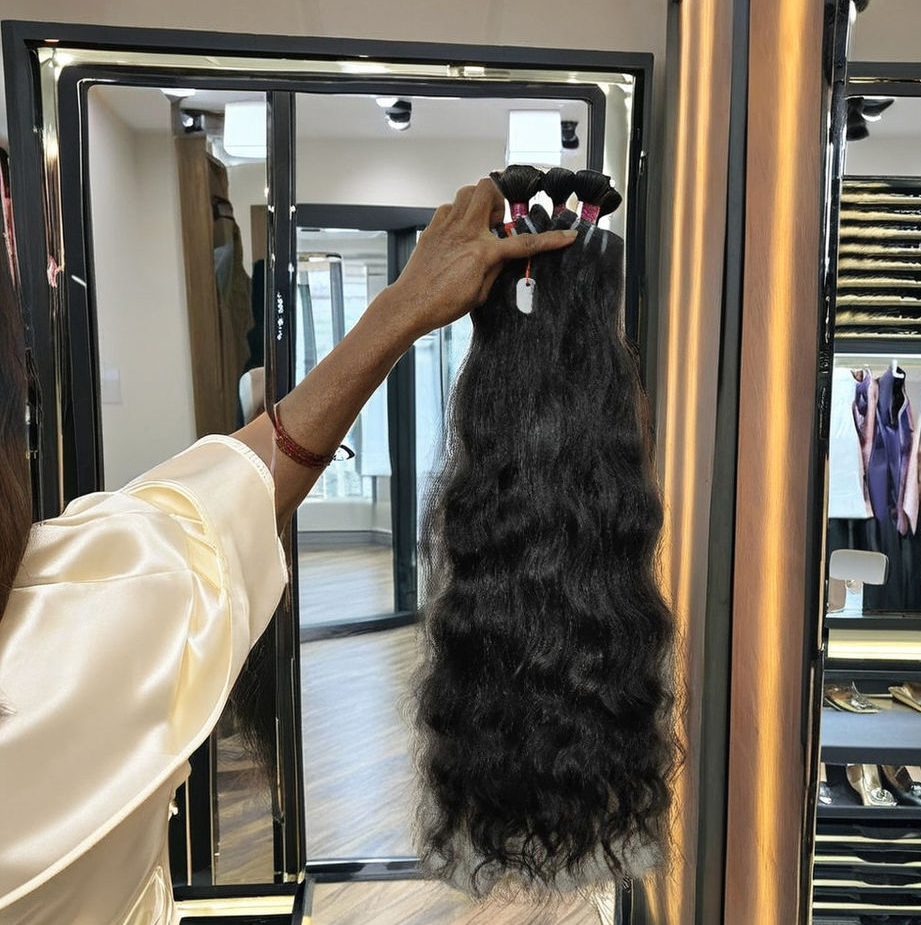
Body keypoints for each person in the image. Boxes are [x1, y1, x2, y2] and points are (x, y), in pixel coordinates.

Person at [0, 178, 576, 925]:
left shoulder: (100, 595)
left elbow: (234, 488)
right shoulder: (94, 611)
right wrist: (402, 309)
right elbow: (242, 486)